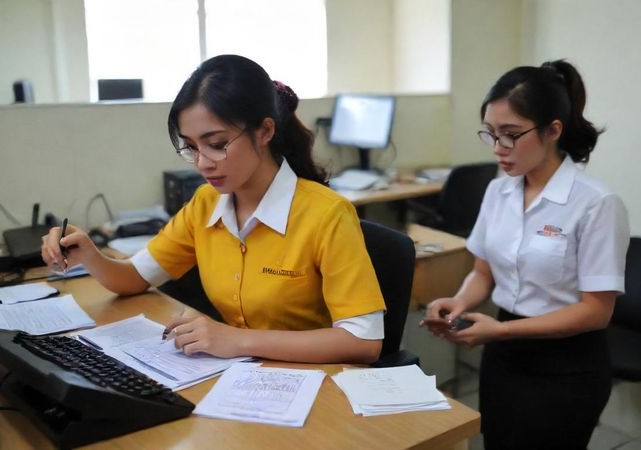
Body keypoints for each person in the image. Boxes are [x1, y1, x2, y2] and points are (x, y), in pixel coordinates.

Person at [41, 54, 385, 364]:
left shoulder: (327, 214)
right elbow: (133, 278)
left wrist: (238, 340)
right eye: (191, 147)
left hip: (315, 386)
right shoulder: (206, 204)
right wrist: (87, 251)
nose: (203, 163)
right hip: (240, 379)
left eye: (217, 145)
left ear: (265, 131)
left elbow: (363, 341)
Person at [421, 60, 629, 449]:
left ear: (553, 130)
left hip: (567, 365)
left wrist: (500, 331)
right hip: (504, 357)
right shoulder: (498, 191)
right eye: (491, 134)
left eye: (511, 135)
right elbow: (484, 272)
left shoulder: (596, 204)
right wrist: (460, 301)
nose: (499, 148)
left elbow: (596, 312)